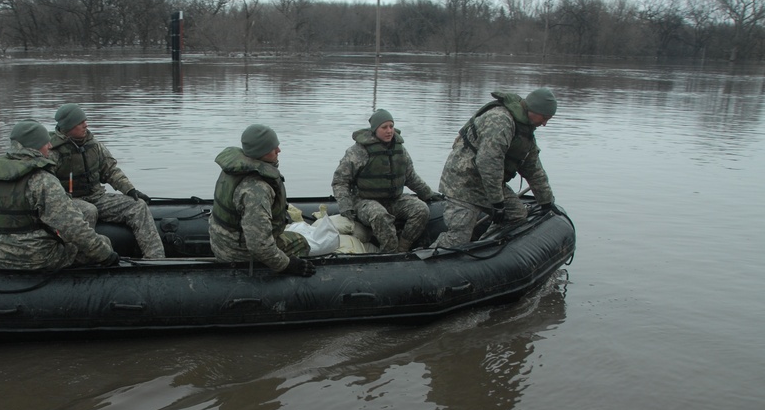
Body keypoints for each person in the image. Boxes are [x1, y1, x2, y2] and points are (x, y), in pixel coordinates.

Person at [0, 120, 119, 270]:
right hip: (39, 258)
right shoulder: (42, 181)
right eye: (45, 142)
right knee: (104, 242)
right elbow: (73, 227)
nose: (49, 145)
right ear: (34, 146)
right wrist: (105, 255)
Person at [433, 88, 558, 249]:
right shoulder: (500, 120)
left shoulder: (525, 129)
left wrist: (546, 201)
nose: (545, 123)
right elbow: (488, 163)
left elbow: (533, 168)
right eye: (545, 118)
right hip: (463, 181)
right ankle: (425, 261)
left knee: (516, 216)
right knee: (459, 236)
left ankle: (482, 250)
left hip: (488, 184)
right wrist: (497, 203)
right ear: (534, 110)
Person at [48, 103, 166, 259]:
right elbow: (46, 186)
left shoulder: (94, 145)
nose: (86, 125)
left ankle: (156, 259)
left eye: (85, 120)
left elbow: (110, 170)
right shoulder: (52, 152)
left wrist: (129, 189)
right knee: (89, 210)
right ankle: (82, 259)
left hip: (97, 197)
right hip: (69, 202)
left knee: (138, 206)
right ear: (69, 127)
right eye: (80, 122)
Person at [208, 124, 316, 277]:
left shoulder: (234, 170)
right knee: (301, 242)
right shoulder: (256, 190)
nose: (279, 151)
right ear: (261, 152)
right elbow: (259, 245)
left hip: (221, 242)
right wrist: (288, 264)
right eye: (273, 148)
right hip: (237, 254)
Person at [332, 109, 437, 253]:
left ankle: (403, 247)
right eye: (384, 127)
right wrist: (345, 206)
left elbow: (411, 177)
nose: (389, 131)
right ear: (375, 129)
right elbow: (340, 181)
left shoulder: (400, 150)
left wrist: (428, 193)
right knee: (379, 214)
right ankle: (390, 252)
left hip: (394, 200)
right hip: (364, 201)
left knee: (421, 209)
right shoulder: (358, 151)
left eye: (391, 126)